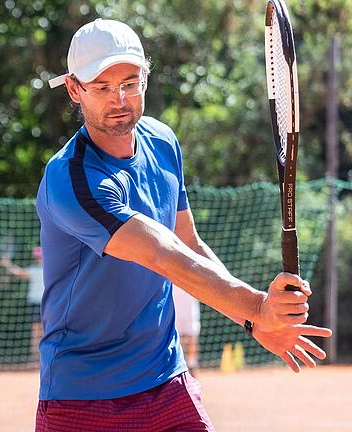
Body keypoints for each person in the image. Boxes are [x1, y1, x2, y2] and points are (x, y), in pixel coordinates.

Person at [36, 19, 332, 431]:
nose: (119, 98)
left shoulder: (162, 141)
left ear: (146, 77)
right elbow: (163, 254)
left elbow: (188, 243)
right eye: (102, 87)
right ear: (74, 89)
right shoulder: (70, 179)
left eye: (130, 82)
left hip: (167, 381)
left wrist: (250, 321)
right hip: (84, 398)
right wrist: (258, 307)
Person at [0, 246, 45, 365]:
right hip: (35, 303)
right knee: (35, 332)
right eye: (37, 257)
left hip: (46, 303)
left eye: (40, 256)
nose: (39, 258)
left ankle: (44, 359)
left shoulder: (50, 270)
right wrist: (7, 264)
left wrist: (7, 264)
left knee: (46, 331)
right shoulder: (33, 270)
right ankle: (35, 360)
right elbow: (20, 273)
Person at [173, 284, 201, 372]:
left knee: (192, 337)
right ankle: (177, 366)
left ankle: (192, 366)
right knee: (175, 338)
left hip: (190, 308)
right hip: (174, 306)